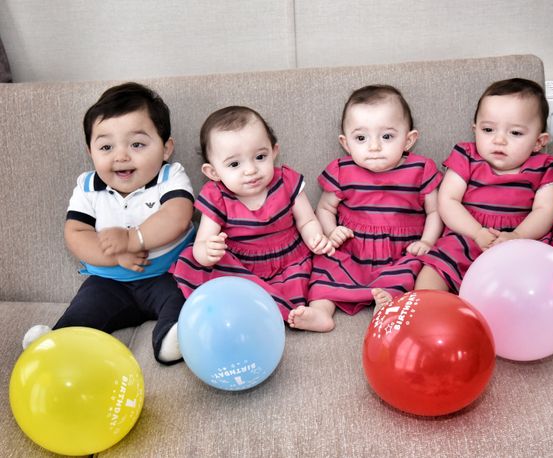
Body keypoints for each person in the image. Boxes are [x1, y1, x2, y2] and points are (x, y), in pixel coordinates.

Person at [21, 82, 195, 365]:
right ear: (90, 152)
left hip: (168, 274)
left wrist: (132, 239)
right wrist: (114, 255)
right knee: (85, 308)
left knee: (181, 299)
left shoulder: (170, 177)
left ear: (166, 148)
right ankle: (57, 342)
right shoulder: (88, 187)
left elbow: (178, 215)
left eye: (137, 144)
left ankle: (170, 338)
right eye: (106, 146)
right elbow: (76, 233)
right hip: (109, 282)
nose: (121, 155)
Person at [374, 78, 553, 308]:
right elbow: (448, 200)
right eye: (488, 130)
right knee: (433, 270)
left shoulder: (544, 167)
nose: (499, 140)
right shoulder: (467, 156)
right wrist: (477, 232)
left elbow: (544, 210)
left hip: (520, 239)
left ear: (539, 141)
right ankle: (431, 310)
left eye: (515, 133)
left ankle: (505, 308)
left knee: (530, 278)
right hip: (467, 235)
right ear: (475, 130)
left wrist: (517, 237)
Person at [289, 85, 443, 331]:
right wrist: (331, 232)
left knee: (410, 271)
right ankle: (320, 311)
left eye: (387, 136)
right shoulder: (342, 171)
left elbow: (435, 212)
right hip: (353, 249)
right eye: (361, 138)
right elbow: (325, 208)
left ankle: (389, 308)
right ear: (346, 143)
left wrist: (426, 241)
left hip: (400, 252)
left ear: (409, 139)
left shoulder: (420, 170)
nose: (374, 147)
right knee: (325, 268)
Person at [171, 106, 334, 323]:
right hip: (241, 267)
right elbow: (201, 243)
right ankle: (259, 312)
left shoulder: (286, 181)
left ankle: (318, 313)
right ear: (213, 172)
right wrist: (207, 252)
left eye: (259, 157)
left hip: (290, 261)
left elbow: (307, 220)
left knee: (328, 266)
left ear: (274, 151)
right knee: (193, 265)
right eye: (235, 164)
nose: (250, 170)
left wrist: (315, 237)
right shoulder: (216, 196)